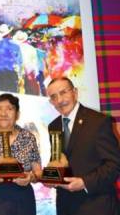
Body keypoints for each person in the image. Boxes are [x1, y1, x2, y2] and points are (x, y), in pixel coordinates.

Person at [46, 77, 120, 215]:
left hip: (97, 206)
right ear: (51, 102)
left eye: (63, 92)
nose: (60, 100)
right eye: (54, 97)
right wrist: (50, 178)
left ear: (75, 92)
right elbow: (58, 161)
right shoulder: (53, 126)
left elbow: (115, 164)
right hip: (66, 207)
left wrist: (84, 182)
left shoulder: (99, 121)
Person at [0, 24, 22, 93]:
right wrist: (20, 75)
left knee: (3, 93)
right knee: (13, 94)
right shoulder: (15, 46)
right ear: (9, 34)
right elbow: (19, 61)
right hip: (11, 72)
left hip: (0, 72)